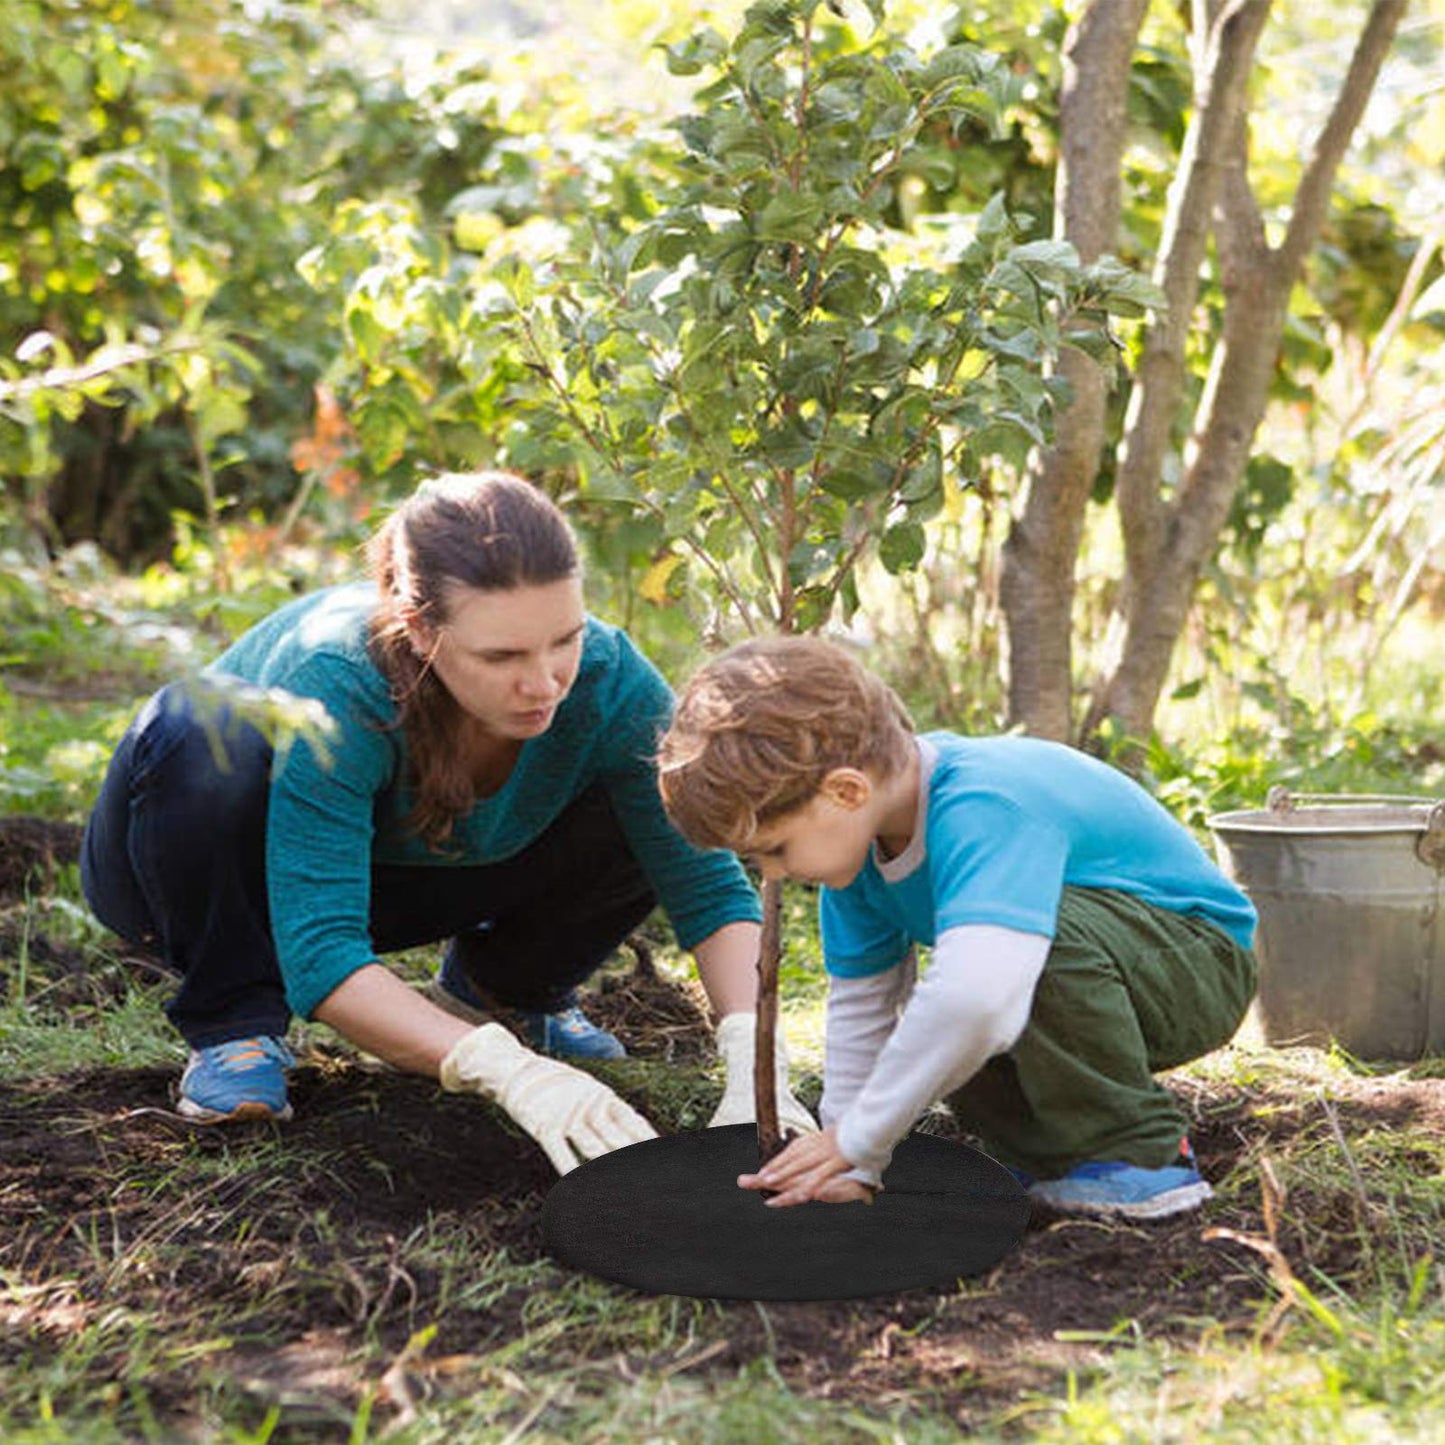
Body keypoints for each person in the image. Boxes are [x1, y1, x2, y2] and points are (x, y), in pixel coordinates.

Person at [81, 472, 815, 1172]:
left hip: (410, 876)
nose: (543, 681)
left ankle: (503, 990)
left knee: (660, 788)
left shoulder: (606, 679)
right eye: (501, 654)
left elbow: (706, 888)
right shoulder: (341, 679)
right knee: (201, 724)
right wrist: (499, 1069)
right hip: (199, 871)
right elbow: (321, 950)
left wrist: (756, 1057)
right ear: (421, 630)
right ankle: (233, 1022)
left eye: (564, 637)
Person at [656, 636, 1258, 1220]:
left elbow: (978, 998)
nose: (775, 874)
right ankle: (1058, 1157)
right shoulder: (858, 855)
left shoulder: (982, 804)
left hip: (1193, 961)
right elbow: (862, 1013)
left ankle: (1141, 1153)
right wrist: (849, 1159)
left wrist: (861, 1137)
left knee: (977, 987)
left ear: (845, 791)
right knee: (942, 1033)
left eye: (776, 850)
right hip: (1090, 971)